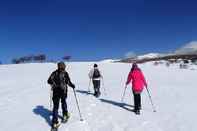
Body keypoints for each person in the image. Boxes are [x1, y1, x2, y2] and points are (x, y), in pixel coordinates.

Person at [47, 62, 75, 128]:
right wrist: (72, 85)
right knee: (63, 102)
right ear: (64, 66)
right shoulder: (65, 73)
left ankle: (54, 122)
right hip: (63, 91)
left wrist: (53, 83)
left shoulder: (54, 73)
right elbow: (68, 82)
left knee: (56, 106)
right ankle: (65, 115)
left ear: (58, 66)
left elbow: (48, 81)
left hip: (55, 91)